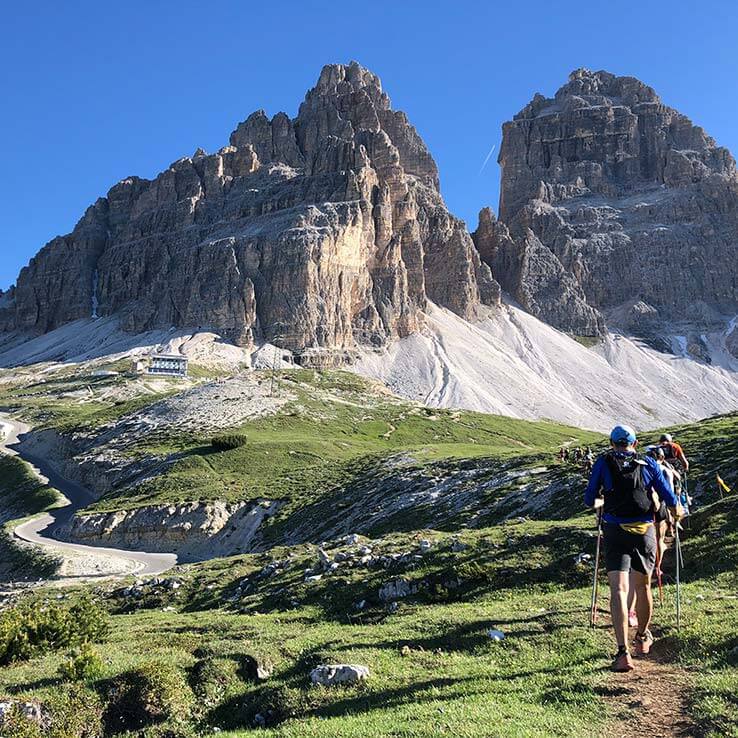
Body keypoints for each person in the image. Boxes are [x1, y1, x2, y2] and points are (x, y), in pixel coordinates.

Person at [585, 424, 680, 672]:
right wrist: (673, 514)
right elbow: (669, 497)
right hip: (644, 531)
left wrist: (600, 505)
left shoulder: (603, 463)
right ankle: (642, 637)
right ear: (635, 444)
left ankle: (622, 652)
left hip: (615, 530)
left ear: (611, 443)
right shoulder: (648, 464)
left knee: (618, 589)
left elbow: (589, 498)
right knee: (642, 585)